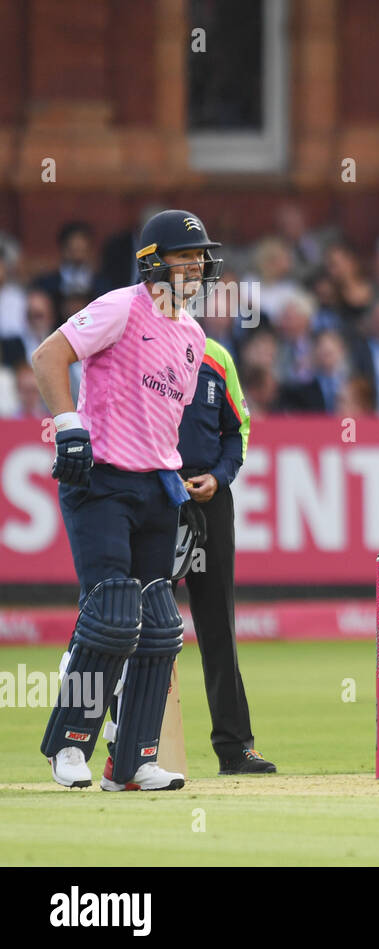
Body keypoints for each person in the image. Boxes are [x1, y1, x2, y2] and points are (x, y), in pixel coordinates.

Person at [32, 209, 215, 791]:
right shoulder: (121, 305)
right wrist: (68, 426)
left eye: (200, 257)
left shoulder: (194, 336)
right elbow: (48, 356)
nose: (196, 265)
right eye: (185, 255)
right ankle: (69, 745)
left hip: (153, 491)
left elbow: (164, 424)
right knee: (111, 612)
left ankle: (132, 760)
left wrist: (176, 486)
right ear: (154, 260)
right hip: (99, 479)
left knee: (159, 626)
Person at [175, 332, 275, 775]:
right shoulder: (136, 346)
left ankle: (235, 749)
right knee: (132, 621)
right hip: (152, 494)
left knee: (217, 623)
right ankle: (127, 744)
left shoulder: (215, 356)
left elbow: (239, 430)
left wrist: (219, 476)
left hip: (209, 499)